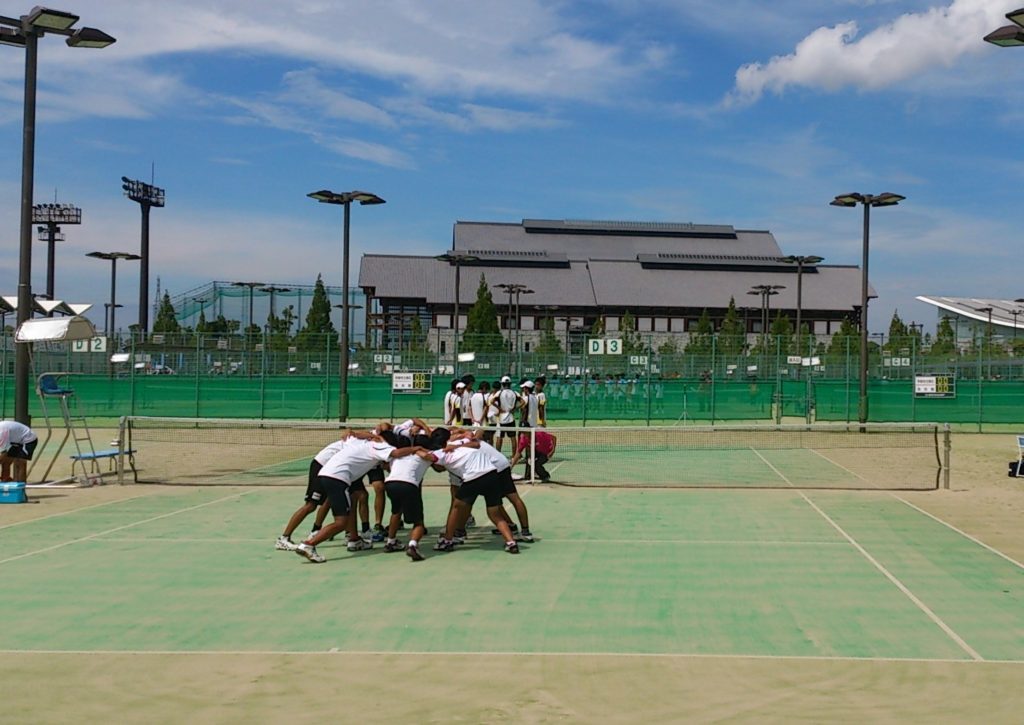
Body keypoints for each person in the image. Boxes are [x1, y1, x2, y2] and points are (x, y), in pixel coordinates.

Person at [294, 434, 423, 564]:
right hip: (337, 478)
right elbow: (396, 453)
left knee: (352, 501)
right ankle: (309, 544)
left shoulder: (362, 443)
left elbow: (358, 434)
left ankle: (354, 540)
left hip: (327, 475)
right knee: (341, 522)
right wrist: (415, 448)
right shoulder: (380, 446)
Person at [424, 437, 519, 554]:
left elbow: (427, 456)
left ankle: (447, 540)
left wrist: (415, 450)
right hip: (492, 475)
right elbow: (476, 444)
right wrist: (456, 446)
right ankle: (511, 542)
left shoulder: (439, 453)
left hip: (474, 476)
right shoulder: (460, 446)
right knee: (494, 514)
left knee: (456, 507)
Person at [494, 375, 521, 454]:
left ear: (502, 384)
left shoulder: (499, 393)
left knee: (499, 437)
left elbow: (492, 401)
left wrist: (499, 408)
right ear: (510, 384)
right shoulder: (514, 393)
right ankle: (513, 455)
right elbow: (523, 402)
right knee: (513, 438)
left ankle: (498, 454)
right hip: (511, 418)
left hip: (501, 418)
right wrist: (515, 408)